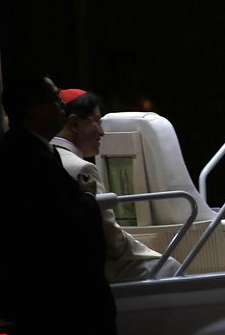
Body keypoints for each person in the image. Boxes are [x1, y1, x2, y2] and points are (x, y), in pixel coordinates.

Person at [0, 72, 124, 335]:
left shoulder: (23, 150)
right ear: (32, 110)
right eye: (55, 101)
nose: (61, 108)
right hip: (58, 303)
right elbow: (60, 223)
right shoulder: (28, 157)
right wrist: (86, 196)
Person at [51, 88, 180, 280]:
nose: (102, 132)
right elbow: (112, 240)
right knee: (169, 267)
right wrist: (149, 251)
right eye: (96, 121)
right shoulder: (81, 168)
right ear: (74, 123)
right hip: (92, 266)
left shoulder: (43, 159)